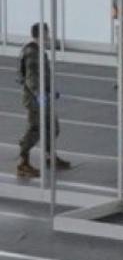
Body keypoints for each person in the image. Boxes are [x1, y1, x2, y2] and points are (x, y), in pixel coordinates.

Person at [17, 23, 69, 178]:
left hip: (43, 97)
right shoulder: (32, 52)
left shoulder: (37, 50)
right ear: (41, 34)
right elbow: (32, 78)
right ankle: (22, 163)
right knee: (35, 129)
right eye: (47, 33)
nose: (48, 36)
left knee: (52, 126)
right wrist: (40, 95)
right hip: (35, 99)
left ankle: (49, 156)